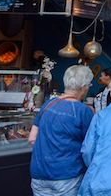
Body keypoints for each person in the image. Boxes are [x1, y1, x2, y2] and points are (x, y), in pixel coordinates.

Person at [29, 64, 94, 196]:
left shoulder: (48, 104)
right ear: (84, 87)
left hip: (39, 174)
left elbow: (32, 138)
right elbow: (89, 148)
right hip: (67, 176)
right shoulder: (84, 111)